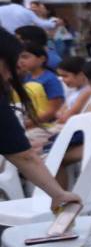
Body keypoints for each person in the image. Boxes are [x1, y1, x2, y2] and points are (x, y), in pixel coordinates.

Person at [0, 29, 80, 208]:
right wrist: (58, 194)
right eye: (13, 64)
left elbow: (55, 108)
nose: (11, 75)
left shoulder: (49, 79)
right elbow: (23, 156)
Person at [17, 43, 64, 123]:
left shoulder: (50, 79)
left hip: (47, 123)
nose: (21, 61)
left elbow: (53, 110)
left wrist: (28, 124)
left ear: (42, 59)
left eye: (25, 57)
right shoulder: (27, 77)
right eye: (19, 58)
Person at [54, 56, 91, 122]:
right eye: (61, 76)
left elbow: (66, 117)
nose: (62, 79)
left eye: (65, 76)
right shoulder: (74, 89)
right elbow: (59, 112)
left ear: (81, 74)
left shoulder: (87, 91)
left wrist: (61, 115)